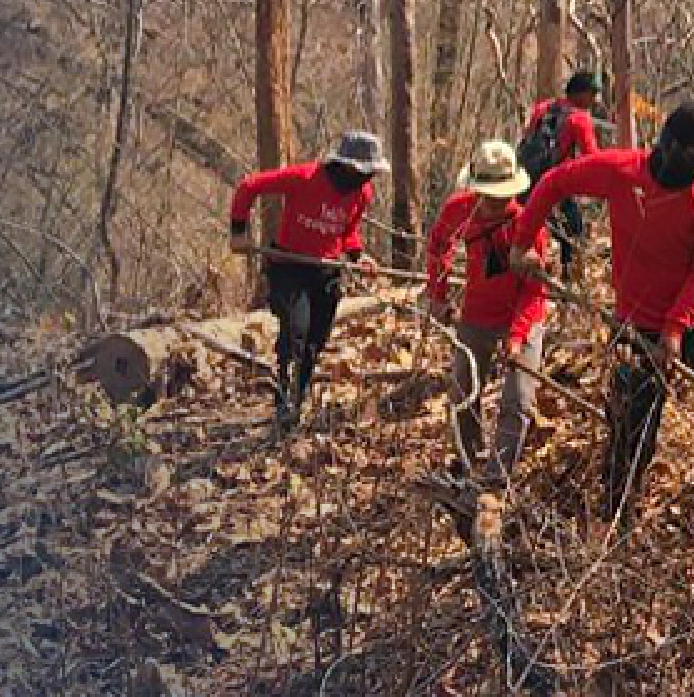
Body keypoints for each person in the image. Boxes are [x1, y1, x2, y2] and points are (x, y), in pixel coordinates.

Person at [512, 101, 694, 524]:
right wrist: (524, 240)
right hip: (636, 327)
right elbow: (552, 183)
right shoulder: (621, 173)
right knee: (629, 434)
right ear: (671, 148)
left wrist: (675, 328)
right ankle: (616, 522)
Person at [228, 131, 387, 431]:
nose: (368, 178)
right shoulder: (305, 177)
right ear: (347, 166)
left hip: (325, 270)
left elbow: (347, 229)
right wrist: (239, 231)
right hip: (289, 265)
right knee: (295, 332)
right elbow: (249, 187)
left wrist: (356, 256)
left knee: (316, 340)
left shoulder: (362, 193)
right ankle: (283, 400)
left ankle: (297, 399)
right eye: (365, 171)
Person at [425, 140, 551, 482]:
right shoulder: (458, 210)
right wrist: (438, 293)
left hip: (521, 317)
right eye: (488, 193)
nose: (495, 202)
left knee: (517, 400)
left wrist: (517, 336)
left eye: (501, 194)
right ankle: (468, 464)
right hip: (476, 314)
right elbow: (439, 248)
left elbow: (535, 290)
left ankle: (496, 481)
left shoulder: (529, 225)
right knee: (463, 393)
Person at [519, 71, 603, 277]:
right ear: (581, 93)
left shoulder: (543, 108)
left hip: (525, 179)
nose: (594, 100)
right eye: (592, 94)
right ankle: (568, 282)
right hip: (556, 184)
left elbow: (527, 138)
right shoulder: (579, 119)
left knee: (525, 227)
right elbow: (593, 159)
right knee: (574, 234)